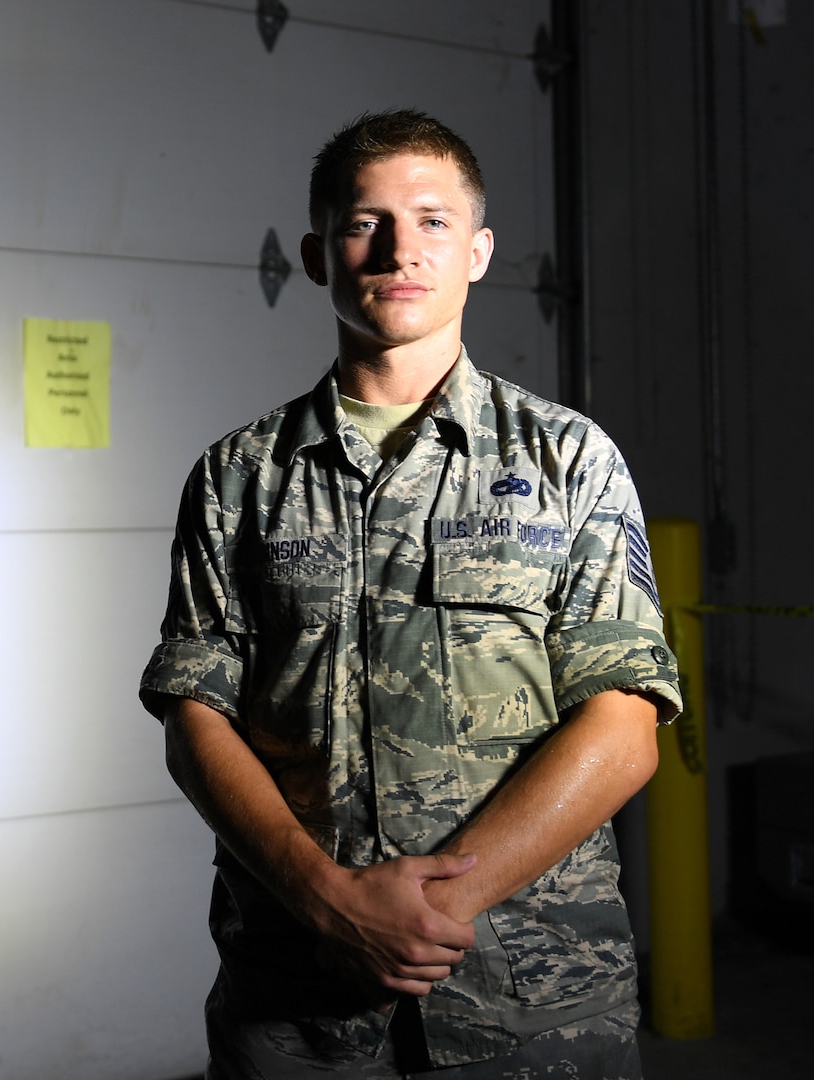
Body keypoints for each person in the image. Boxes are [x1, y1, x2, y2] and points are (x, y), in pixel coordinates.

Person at [138, 109, 682, 1079]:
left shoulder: (567, 460)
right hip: (299, 1001)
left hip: (535, 1001)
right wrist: (328, 900)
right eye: (364, 222)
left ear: (477, 252)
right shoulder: (238, 477)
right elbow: (194, 714)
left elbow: (625, 723)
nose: (398, 249)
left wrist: (433, 913)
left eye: (431, 221)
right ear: (316, 255)